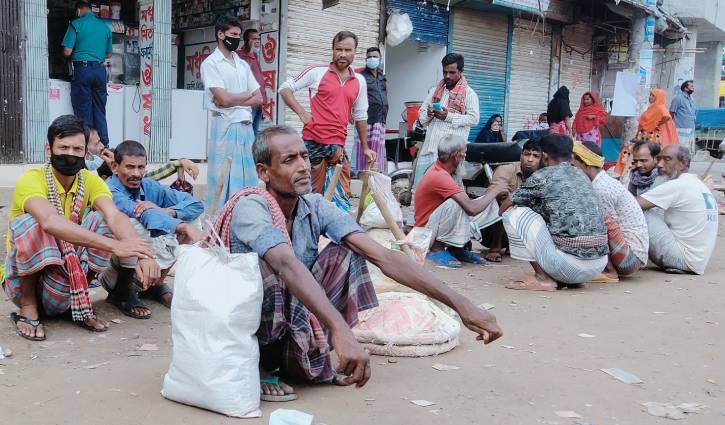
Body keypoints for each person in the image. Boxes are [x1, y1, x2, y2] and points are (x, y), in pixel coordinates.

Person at [216, 125, 502, 400]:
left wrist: (461, 304)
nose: (303, 166)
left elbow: (384, 256)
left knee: (347, 253)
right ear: (263, 172)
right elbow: (287, 265)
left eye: (304, 156)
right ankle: (258, 364)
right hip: (248, 329)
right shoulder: (250, 207)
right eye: (289, 160)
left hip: (289, 320)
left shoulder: (313, 205)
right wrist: (340, 328)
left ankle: (301, 356)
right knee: (271, 270)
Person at [1, 115, 156, 341]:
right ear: (49, 149)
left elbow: (114, 215)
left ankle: (79, 304)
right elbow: (49, 221)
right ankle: (28, 307)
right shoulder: (31, 179)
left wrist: (141, 252)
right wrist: (115, 245)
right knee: (32, 222)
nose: (71, 154)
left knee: (102, 220)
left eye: (77, 149)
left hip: (65, 281)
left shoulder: (90, 180)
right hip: (28, 281)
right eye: (63, 147)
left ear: (86, 153)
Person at [101, 141, 205, 319]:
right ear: (114, 167)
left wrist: (168, 211)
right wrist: (182, 226)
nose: (136, 173)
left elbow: (195, 205)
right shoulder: (110, 189)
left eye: (141, 167)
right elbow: (143, 215)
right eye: (130, 167)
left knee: (194, 220)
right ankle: (123, 293)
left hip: (147, 260)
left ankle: (155, 284)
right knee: (132, 223)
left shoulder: (148, 186)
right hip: (114, 272)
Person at [279, 31, 374, 212]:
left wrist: (366, 147)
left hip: (337, 146)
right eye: (339, 49)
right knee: (310, 194)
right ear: (332, 50)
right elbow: (285, 89)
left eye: (348, 50)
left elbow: (361, 116)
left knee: (340, 197)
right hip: (312, 144)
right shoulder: (317, 72)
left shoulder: (360, 81)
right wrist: (301, 113)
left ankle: (334, 235)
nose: (343, 54)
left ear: (355, 52)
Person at [499, 134, 608, 291]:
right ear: (571, 156)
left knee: (513, 214)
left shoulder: (542, 176)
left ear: (544, 156)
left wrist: (503, 211)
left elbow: (505, 206)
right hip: (598, 266)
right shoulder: (581, 175)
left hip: (569, 268)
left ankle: (543, 279)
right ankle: (571, 280)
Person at [414, 135, 506, 268]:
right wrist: (495, 190)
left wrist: (464, 239)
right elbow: (471, 209)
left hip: (436, 224)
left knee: (489, 201)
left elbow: (468, 203)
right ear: (456, 156)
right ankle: (436, 249)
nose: (465, 157)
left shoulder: (452, 172)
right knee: (457, 203)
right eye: (464, 153)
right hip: (425, 234)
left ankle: (456, 249)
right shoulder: (439, 175)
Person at [201, 18, 263, 214]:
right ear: (220, 35)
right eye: (233, 35)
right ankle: (219, 222)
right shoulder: (210, 64)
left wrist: (230, 99)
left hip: (245, 127)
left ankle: (245, 218)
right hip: (225, 126)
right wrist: (245, 95)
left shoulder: (242, 64)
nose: (236, 39)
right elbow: (223, 99)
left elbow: (259, 98)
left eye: (238, 35)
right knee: (222, 177)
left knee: (248, 178)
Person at [571, 141, 648, 282]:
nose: (571, 170)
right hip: (628, 254)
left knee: (594, 219)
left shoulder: (601, 187)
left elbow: (605, 227)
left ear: (585, 163)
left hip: (630, 258)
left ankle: (609, 271)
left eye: (573, 164)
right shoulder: (599, 182)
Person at [636, 145, 718, 275]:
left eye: (667, 159)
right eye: (659, 159)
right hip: (696, 261)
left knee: (640, 211)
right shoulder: (697, 184)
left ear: (683, 164)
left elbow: (631, 205)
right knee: (655, 208)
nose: (659, 165)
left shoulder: (678, 185)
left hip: (682, 259)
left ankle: (630, 259)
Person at [414, 53, 480, 188]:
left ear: (461, 72)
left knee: (447, 195)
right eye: (445, 72)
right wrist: (429, 113)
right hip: (430, 150)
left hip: (451, 155)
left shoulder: (469, 94)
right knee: (425, 191)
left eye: (452, 72)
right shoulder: (435, 91)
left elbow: (474, 119)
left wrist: (448, 116)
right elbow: (421, 116)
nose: (447, 76)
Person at [62, 1, 113, 147]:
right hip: (100, 71)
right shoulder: (105, 27)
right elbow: (109, 54)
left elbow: (67, 51)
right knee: (99, 110)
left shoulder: (76, 24)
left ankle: (86, 148)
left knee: (84, 110)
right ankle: (104, 147)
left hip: (83, 70)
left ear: (78, 10)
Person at [483, 138, 543, 262]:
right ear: (521, 155)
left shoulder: (544, 174)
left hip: (526, 225)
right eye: (527, 154)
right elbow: (494, 191)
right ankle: (495, 247)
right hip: (492, 229)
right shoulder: (506, 169)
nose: (530, 159)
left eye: (536, 156)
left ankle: (520, 246)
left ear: (542, 159)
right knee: (498, 201)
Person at [614, 89, 680, 176]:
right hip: (643, 136)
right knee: (630, 151)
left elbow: (666, 117)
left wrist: (657, 124)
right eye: (650, 95)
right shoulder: (652, 108)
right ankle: (627, 172)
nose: (650, 97)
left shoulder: (660, 107)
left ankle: (631, 172)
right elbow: (643, 125)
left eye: (653, 96)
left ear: (658, 97)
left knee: (640, 152)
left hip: (651, 137)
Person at [352, 47, 389, 174]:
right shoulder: (361, 76)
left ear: (380, 59)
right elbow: (353, 96)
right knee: (364, 152)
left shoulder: (382, 78)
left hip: (380, 119)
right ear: (366, 59)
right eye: (369, 57)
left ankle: (373, 182)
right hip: (366, 120)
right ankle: (363, 180)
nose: (372, 59)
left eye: (375, 56)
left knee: (377, 153)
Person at [237, 28, 266, 135]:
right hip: (248, 103)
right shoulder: (239, 56)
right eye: (254, 39)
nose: (257, 41)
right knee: (246, 134)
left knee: (254, 135)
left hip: (258, 103)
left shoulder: (255, 56)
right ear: (247, 41)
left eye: (258, 39)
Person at [669, 80, 696, 152]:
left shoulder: (691, 99)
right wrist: (671, 126)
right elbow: (671, 112)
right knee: (680, 149)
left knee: (687, 150)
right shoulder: (678, 98)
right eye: (691, 86)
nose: (693, 88)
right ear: (685, 88)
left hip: (690, 128)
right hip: (681, 129)